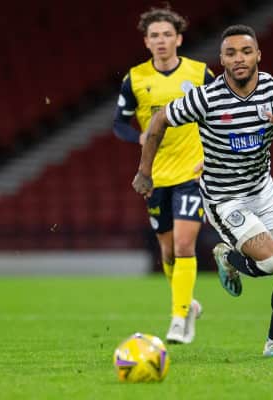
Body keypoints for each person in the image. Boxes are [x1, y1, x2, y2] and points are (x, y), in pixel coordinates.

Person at [132, 24, 273, 358]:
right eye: (231, 53)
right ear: (222, 59)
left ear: (258, 54)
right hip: (224, 197)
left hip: (263, 190)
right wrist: (145, 172)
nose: (239, 58)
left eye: (246, 51)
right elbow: (159, 120)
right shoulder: (206, 97)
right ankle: (227, 256)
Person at [113, 6, 214, 345]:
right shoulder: (135, 79)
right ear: (146, 41)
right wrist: (138, 137)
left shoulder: (200, 74)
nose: (161, 40)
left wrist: (213, 157)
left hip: (192, 173)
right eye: (154, 35)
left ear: (179, 39)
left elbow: (221, 115)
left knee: (185, 245)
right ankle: (188, 304)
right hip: (155, 177)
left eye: (167, 34)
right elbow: (118, 124)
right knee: (168, 253)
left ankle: (178, 318)